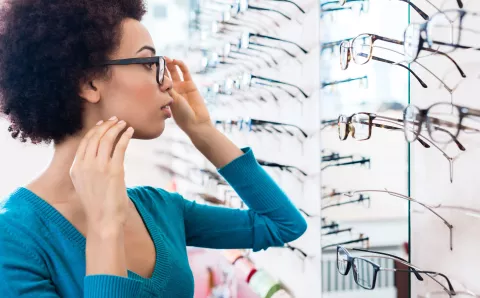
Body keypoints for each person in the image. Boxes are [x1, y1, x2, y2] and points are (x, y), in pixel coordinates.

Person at [0, 0, 307, 297]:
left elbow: (282, 225)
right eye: (148, 63)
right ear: (90, 83)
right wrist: (105, 230)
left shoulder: (158, 208)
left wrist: (204, 133)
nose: (167, 84)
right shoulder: (14, 238)